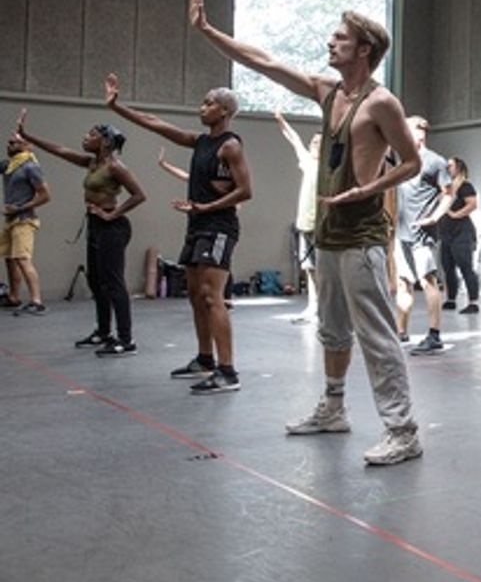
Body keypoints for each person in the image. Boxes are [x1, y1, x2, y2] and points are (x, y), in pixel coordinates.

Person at [187, 0, 424, 465]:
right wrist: (209, 30)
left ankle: (403, 430)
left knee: (376, 335)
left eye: (340, 37)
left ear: (364, 49)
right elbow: (265, 62)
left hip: (361, 234)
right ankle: (333, 408)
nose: (330, 42)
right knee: (332, 330)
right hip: (329, 233)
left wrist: (370, 189)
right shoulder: (326, 91)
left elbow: (412, 162)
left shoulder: (381, 102)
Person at [105, 73, 250, 394]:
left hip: (219, 227)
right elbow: (155, 122)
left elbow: (245, 191)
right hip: (197, 225)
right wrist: (118, 107)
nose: (203, 107)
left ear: (224, 111)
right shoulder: (201, 142)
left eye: (209, 103)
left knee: (214, 297)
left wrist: (205, 208)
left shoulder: (230, 146)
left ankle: (228, 372)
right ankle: (204, 359)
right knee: (197, 297)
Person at [16, 111, 147, 353]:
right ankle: (104, 332)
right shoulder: (92, 162)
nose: (86, 138)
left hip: (112, 228)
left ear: (106, 141)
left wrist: (112, 214)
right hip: (96, 225)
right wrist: (28, 136)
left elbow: (139, 195)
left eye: (92, 135)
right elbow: (60, 150)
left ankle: (126, 340)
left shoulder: (115, 166)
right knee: (97, 282)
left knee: (113, 282)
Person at [394, 116, 451, 355]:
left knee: (428, 281)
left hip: (422, 234)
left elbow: (448, 194)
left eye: (408, 130)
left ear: (420, 133)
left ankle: (434, 335)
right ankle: (401, 332)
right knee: (403, 283)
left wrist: (434, 218)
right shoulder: (402, 160)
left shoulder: (434, 162)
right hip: (402, 232)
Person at [275, 110, 321, 325]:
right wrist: (281, 120)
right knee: (309, 269)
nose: (314, 145)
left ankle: (326, 309)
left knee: (324, 270)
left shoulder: (329, 168)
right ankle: (313, 306)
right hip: (305, 224)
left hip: (322, 226)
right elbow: (294, 140)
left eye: (319, 142)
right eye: (313, 141)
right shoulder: (307, 161)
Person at [2, 129, 52, 315]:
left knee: (23, 259)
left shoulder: (31, 167)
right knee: (10, 258)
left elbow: (46, 195)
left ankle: (36, 301)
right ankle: (14, 296)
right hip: (11, 219)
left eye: (14, 142)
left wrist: (20, 207)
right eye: (9, 142)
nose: (10, 145)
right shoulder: (9, 165)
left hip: (24, 220)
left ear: (27, 146)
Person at [439, 156, 481, 314]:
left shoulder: (465, 186)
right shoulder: (446, 187)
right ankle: (451, 299)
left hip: (462, 233)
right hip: (446, 233)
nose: (447, 168)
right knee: (447, 267)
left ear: (458, 168)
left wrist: (456, 214)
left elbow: (472, 204)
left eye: (450, 166)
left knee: (465, 267)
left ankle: (473, 302)